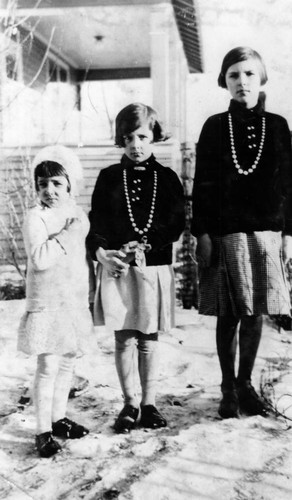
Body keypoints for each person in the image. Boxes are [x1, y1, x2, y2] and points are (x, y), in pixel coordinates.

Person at [191, 47, 292, 419]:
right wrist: (200, 234)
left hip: (266, 234)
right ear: (225, 81)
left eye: (249, 74)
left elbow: (289, 187)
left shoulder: (279, 126)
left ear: (261, 78)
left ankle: (246, 383)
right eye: (234, 75)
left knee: (255, 313)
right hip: (225, 234)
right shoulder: (215, 127)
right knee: (229, 313)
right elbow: (202, 185)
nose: (242, 82)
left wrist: (289, 236)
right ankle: (227, 387)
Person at [87, 103, 185, 433]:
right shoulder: (109, 178)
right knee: (124, 337)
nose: (136, 144)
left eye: (142, 136)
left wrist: (147, 243)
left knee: (148, 337)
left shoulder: (168, 178)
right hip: (118, 269)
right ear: (121, 140)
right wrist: (102, 250)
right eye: (128, 137)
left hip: (153, 268)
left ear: (154, 136)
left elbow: (175, 224)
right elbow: (96, 222)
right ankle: (129, 403)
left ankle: (150, 403)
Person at [18, 145, 94, 457]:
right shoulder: (35, 218)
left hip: (72, 300)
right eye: (42, 184)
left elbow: (81, 258)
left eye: (57, 184)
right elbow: (40, 258)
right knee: (48, 364)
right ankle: (41, 430)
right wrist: (65, 236)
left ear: (70, 186)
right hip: (47, 302)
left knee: (67, 361)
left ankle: (58, 417)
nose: (49, 190)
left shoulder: (78, 216)